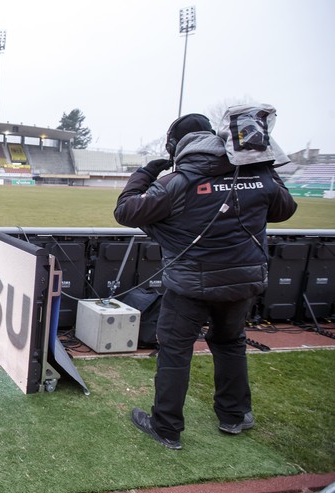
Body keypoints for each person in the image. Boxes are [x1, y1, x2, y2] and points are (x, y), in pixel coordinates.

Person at [113, 113, 297, 450]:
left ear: (174, 146)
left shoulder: (178, 181)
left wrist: (145, 172)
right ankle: (234, 415)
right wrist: (266, 167)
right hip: (243, 281)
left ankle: (166, 427)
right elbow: (284, 209)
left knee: (175, 351)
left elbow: (125, 211)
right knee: (230, 343)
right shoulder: (256, 175)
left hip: (190, 286)